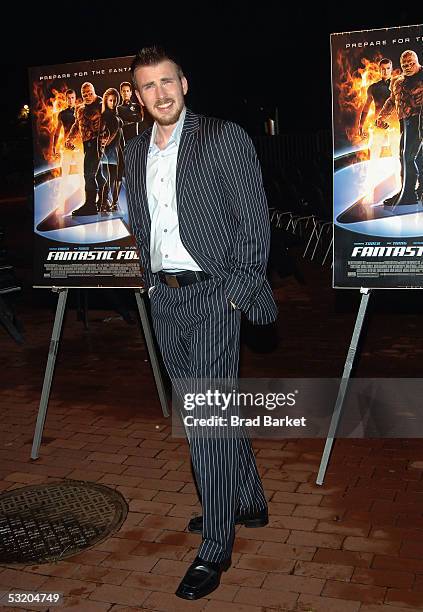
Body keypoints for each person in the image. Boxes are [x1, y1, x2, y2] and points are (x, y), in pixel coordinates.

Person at [124, 45, 278, 601]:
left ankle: (217, 543)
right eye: (148, 86)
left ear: (184, 83)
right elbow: (139, 218)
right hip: (164, 299)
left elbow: (254, 219)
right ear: (137, 96)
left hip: (214, 295)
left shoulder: (223, 137)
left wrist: (236, 292)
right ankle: (250, 501)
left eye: (168, 82)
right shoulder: (134, 149)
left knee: (204, 420)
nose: (160, 94)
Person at [376, 50, 423, 206]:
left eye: (411, 63)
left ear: (417, 62)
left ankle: (409, 194)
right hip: (406, 122)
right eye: (405, 65)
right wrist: (382, 116)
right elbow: (391, 100)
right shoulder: (397, 81)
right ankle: (412, 192)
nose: (408, 67)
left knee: (409, 157)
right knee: (411, 157)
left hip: (419, 119)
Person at [65, 82, 103, 216]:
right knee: (96, 174)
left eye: (90, 93)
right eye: (84, 94)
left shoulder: (102, 105)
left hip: (98, 144)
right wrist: (69, 138)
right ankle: (101, 203)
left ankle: (91, 206)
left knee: (89, 174)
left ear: (94, 91)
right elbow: (77, 125)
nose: (87, 96)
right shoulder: (80, 109)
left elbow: (112, 122)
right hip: (87, 145)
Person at [98, 87, 124, 212]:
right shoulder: (105, 116)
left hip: (115, 152)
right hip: (106, 153)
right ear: (105, 101)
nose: (113, 103)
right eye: (110, 100)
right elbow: (103, 136)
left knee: (111, 179)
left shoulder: (115, 116)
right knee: (107, 179)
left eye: (114, 100)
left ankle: (106, 203)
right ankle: (103, 203)